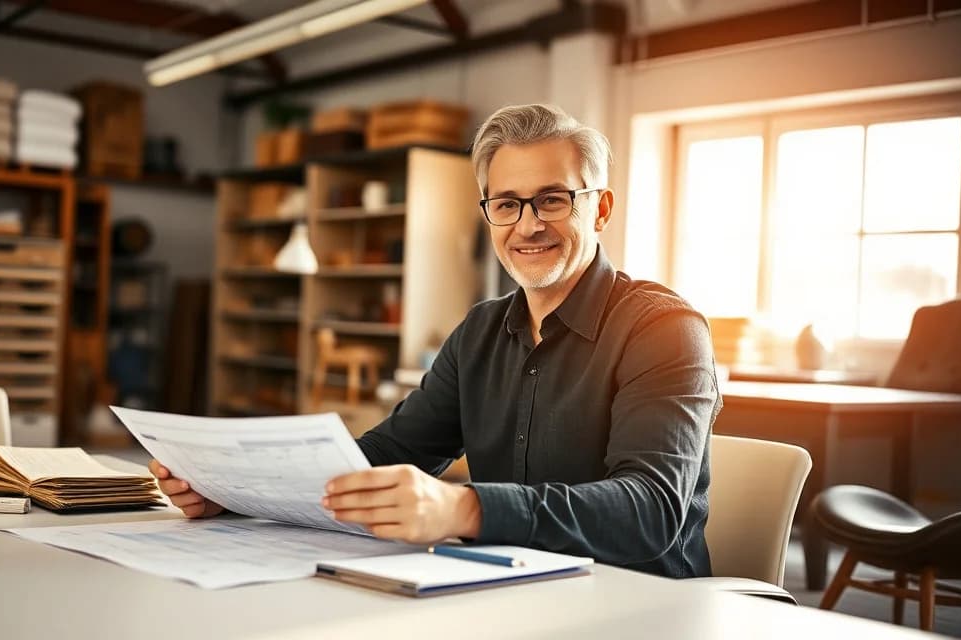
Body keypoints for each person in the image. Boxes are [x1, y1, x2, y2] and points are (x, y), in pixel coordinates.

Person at [150, 104, 721, 579]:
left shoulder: (664, 330)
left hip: (636, 606)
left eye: (553, 199)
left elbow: (649, 509)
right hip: (504, 589)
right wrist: (239, 490)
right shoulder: (480, 332)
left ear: (600, 208)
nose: (528, 225)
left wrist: (464, 506)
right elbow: (389, 454)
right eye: (506, 204)